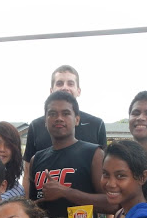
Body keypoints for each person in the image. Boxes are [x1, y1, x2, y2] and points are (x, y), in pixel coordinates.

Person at [27, 91, 116, 218]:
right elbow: (32, 207)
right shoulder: (36, 159)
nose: (59, 118)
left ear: (77, 120)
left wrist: (65, 192)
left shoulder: (94, 153)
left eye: (66, 113)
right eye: (52, 114)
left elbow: (112, 204)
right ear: (45, 121)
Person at [22, 65, 107, 196]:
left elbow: (108, 198)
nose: (65, 87)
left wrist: (66, 192)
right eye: (60, 83)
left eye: (70, 83)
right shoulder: (35, 132)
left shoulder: (96, 132)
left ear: (78, 90)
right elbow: (28, 174)